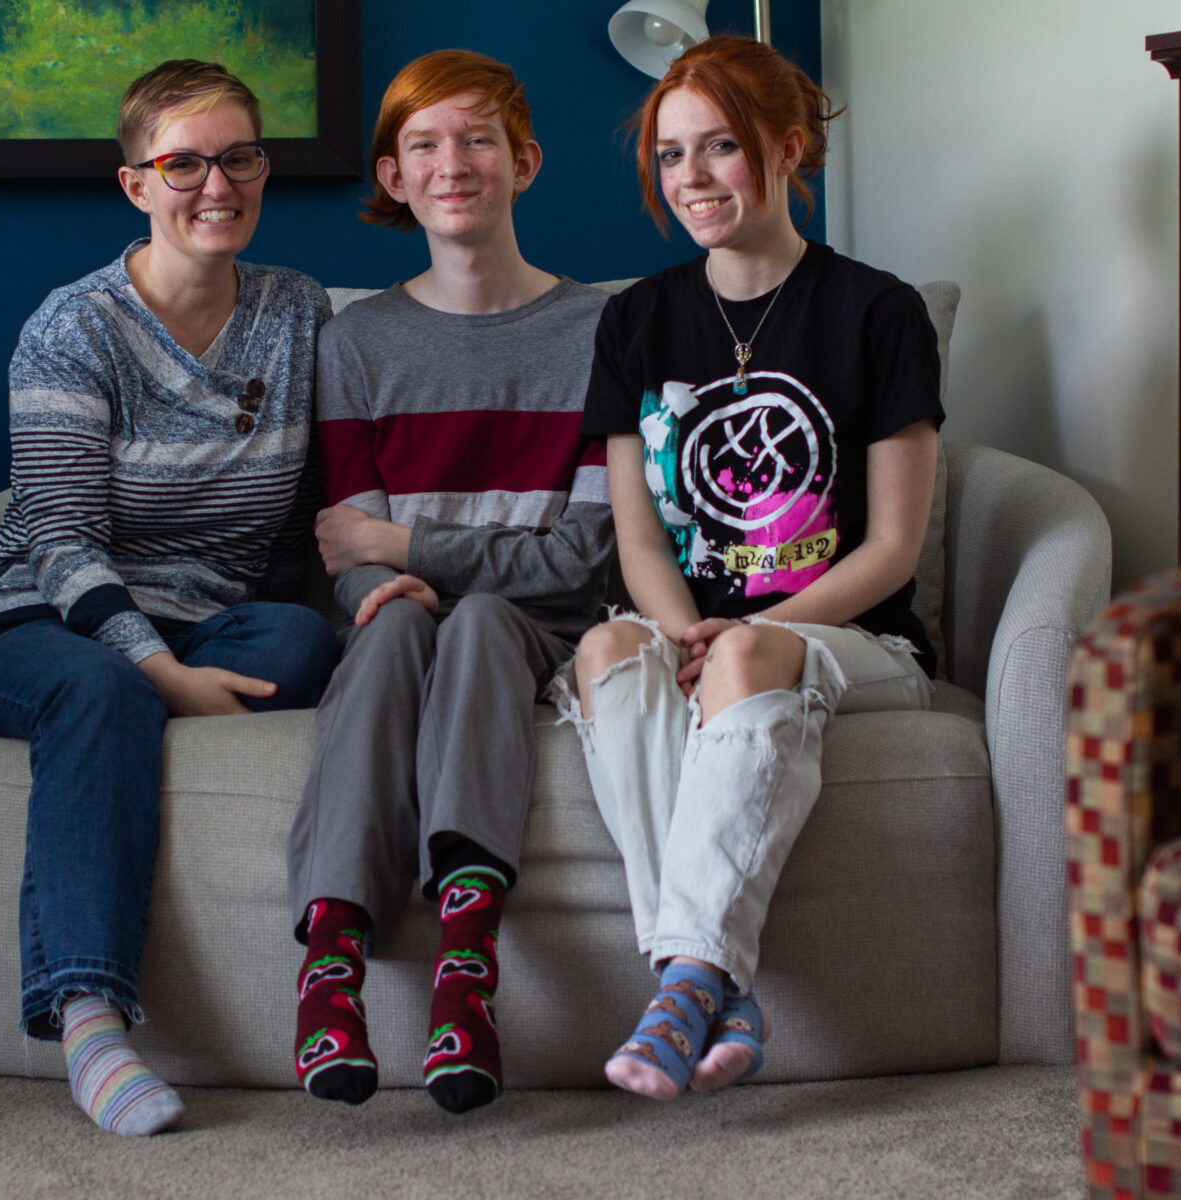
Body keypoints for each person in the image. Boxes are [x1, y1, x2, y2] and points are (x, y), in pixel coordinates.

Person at [0, 59, 340, 1136]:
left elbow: (323, 504)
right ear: (136, 184)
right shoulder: (74, 328)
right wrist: (162, 675)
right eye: (183, 163)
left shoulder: (301, 314)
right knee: (105, 694)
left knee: (305, 645)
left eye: (240, 156)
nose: (217, 184)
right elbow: (63, 540)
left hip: (210, 617)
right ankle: (90, 1022)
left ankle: (136, 704)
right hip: (35, 623)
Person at [555, 35, 944, 1101]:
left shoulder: (878, 311)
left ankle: (689, 983)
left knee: (749, 660)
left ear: (788, 147)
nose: (691, 179)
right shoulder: (635, 319)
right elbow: (639, 539)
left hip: (854, 638)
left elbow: (894, 549)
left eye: (719, 148)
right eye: (671, 157)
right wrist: (688, 630)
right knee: (603, 650)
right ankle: (709, 987)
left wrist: (748, 639)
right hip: (696, 632)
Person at [284, 49, 614, 1115]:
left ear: (525, 161)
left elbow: (583, 558)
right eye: (423, 143)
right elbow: (345, 548)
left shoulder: (603, 332)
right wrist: (378, 584)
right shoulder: (358, 342)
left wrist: (413, 552)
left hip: (541, 629)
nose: (452, 163)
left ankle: (466, 970)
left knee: (474, 620)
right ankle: (329, 971)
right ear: (392, 177)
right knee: (384, 631)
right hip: (402, 625)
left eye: (478, 139)